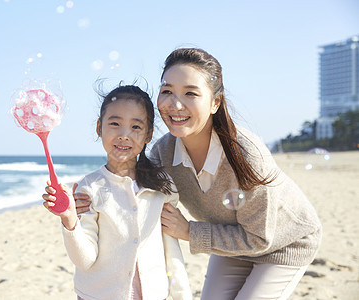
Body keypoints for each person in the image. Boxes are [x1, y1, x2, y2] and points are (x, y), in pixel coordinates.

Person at [74, 48, 323, 300]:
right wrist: (78, 198)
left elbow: (259, 238)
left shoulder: (247, 156)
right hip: (229, 240)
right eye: (167, 91)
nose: (175, 104)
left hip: (283, 244)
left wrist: (189, 232)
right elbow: (123, 179)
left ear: (215, 102)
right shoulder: (164, 153)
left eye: (190, 93)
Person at [42, 85, 192, 300]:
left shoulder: (161, 187)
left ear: (149, 134)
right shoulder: (88, 188)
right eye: (114, 124)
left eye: (136, 127)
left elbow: (171, 250)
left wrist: (182, 295)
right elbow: (85, 260)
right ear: (99, 128)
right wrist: (69, 219)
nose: (124, 135)